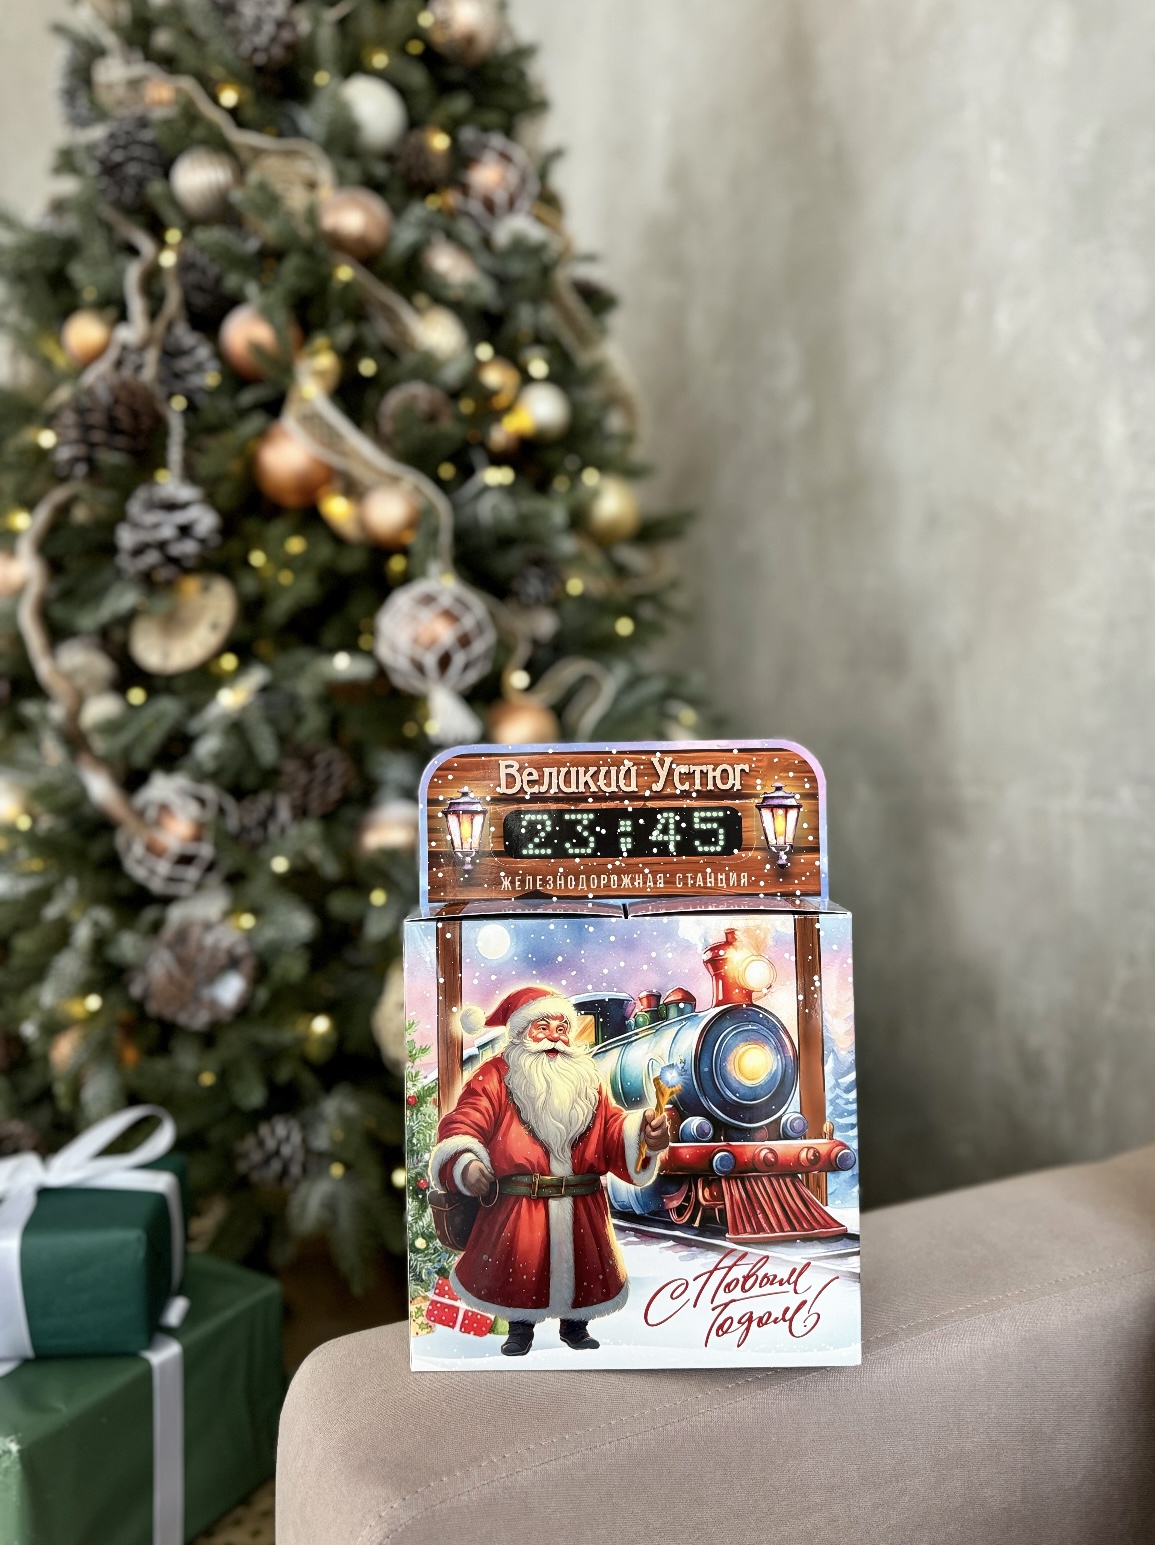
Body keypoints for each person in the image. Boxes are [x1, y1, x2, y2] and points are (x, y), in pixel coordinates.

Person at [430, 985, 670, 1355]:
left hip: (581, 1202)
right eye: (542, 1028)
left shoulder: (587, 1078)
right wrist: (466, 1162)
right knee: (518, 1272)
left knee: (583, 1270)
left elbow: (609, 1129)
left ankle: (576, 1326)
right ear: (520, 1032)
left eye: (561, 1028)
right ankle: (519, 1328)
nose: (554, 1037)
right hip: (520, 1206)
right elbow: (464, 1122)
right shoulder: (494, 1076)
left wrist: (643, 1136)